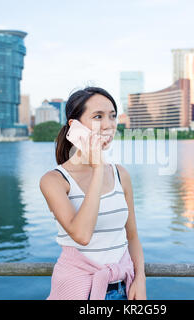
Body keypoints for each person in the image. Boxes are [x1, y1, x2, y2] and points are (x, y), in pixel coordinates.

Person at [39, 87, 147, 300]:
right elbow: (82, 235)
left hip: (123, 288)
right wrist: (97, 168)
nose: (108, 125)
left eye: (112, 116)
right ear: (75, 126)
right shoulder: (54, 181)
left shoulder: (120, 174)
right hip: (77, 290)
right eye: (98, 116)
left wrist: (140, 280)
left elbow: (132, 235)